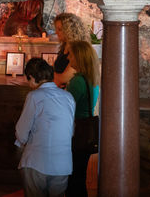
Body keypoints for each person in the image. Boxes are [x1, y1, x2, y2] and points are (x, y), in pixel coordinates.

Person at [15, 58, 75, 197]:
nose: (29, 84)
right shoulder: (68, 97)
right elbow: (70, 131)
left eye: (28, 80)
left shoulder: (34, 96)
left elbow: (21, 133)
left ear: (31, 77)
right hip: (63, 164)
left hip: (37, 162)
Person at [65, 41, 100, 197]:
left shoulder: (78, 81)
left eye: (71, 54)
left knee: (73, 179)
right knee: (79, 176)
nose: (68, 57)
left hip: (77, 132)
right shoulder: (90, 78)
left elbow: (66, 107)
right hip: (86, 131)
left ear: (78, 57)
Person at [53, 13, 90, 89]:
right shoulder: (64, 47)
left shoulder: (78, 50)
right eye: (56, 29)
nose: (56, 32)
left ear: (70, 30)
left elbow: (63, 78)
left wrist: (51, 75)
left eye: (60, 29)